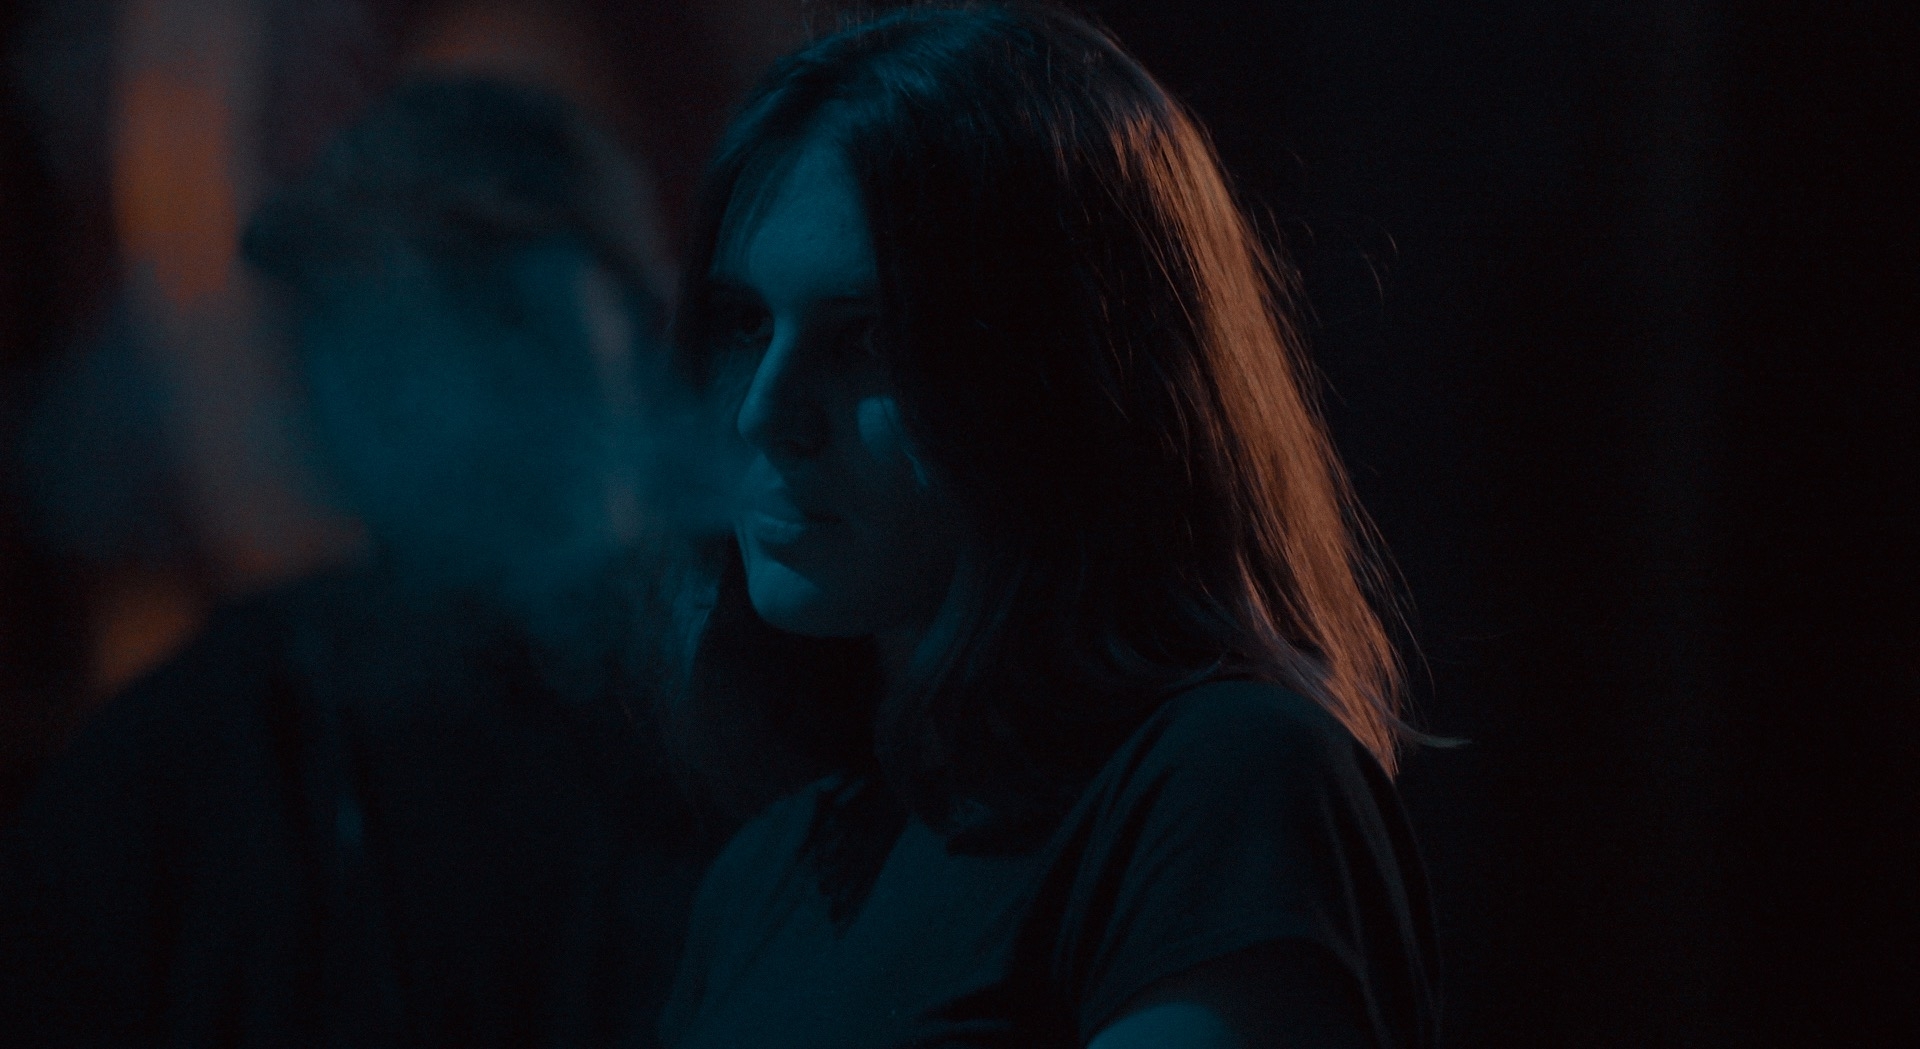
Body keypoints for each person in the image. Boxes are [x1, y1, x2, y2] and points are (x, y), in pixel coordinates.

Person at [653, 5, 1441, 1048]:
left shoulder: (1222, 783)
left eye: (869, 338)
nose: (765, 411)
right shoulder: (771, 873)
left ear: (1062, 380)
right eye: (745, 324)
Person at [0, 77, 710, 1048]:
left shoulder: (769, 704)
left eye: (487, 300)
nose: (402, 369)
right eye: (344, 309)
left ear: (640, 323)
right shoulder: (202, 753)